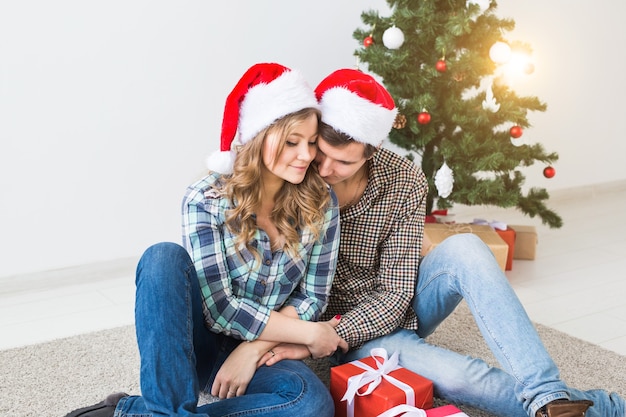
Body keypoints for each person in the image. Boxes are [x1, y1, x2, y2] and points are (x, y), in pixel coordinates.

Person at [264, 68, 625, 417]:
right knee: (461, 376)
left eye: (342, 162)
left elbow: (395, 293)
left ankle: (546, 392)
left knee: (465, 248)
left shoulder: (403, 179)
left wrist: (330, 331)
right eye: (320, 152)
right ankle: (591, 408)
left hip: (389, 306)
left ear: (371, 152)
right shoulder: (297, 172)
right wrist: (318, 334)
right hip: (340, 334)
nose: (323, 168)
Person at [64, 62, 347, 417]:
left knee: (310, 404)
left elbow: (312, 296)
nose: (306, 155)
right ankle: (164, 408)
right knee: (162, 258)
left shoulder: (321, 200)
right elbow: (220, 308)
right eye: (292, 142)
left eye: (310, 142)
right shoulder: (205, 198)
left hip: (264, 349)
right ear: (258, 137)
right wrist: (309, 334)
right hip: (194, 344)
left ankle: (138, 413)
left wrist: (254, 348)